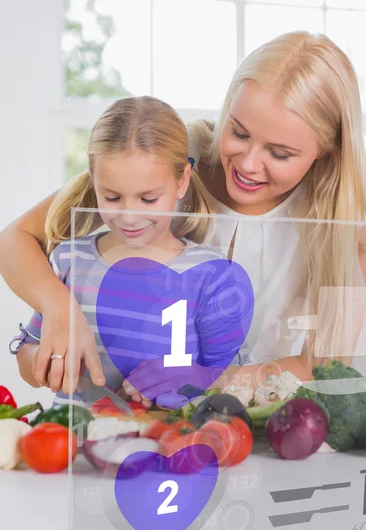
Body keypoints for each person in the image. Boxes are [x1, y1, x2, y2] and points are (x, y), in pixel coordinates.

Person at [1, 31, 366, 396]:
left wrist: (216, 379)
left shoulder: (347, 221)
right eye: (238, 132)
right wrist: (59, 307)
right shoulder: (169, 161)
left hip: (257, 430)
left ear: (327, 150)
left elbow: (325, 365)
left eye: (279, 153)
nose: (249, 164)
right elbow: (14, 239)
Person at [11, 96, 254, 406]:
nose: (129, 216)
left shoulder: (210, 277)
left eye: (148, 199)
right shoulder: (69, 261)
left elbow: (235, 378)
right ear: (93, 179)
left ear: (182, 181)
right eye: (112, 197)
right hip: (75, 447)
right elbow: (27, 352)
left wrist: (195, 377)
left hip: (170, 445)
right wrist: (44, 364)